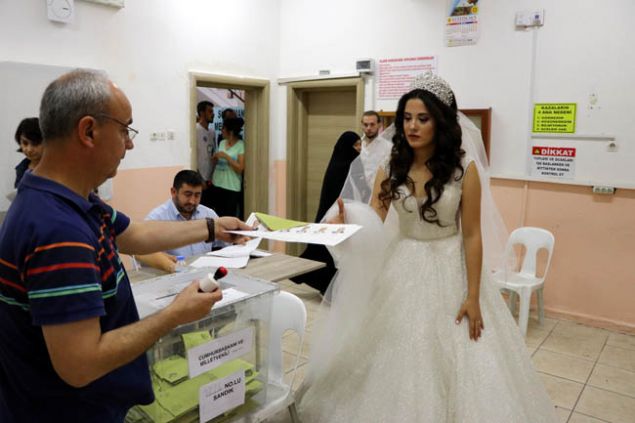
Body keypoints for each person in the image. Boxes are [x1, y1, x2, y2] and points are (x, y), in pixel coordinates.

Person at [297, 72, 558, 422]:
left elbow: (472, 235)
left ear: (441, 122)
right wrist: (346, 225)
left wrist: (473, 296)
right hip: (400, 262)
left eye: (423, 118)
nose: (412, 126)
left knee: (459, 353)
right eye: (407, 118)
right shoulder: (391, 166)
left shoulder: (464, 170)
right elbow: (375, 218)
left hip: (450, 264)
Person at [0, 69, 251, 422]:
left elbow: (135, 234)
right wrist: (174, 315)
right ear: (88, 131)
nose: (129, 145)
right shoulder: (58, 229)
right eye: (124, 130)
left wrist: (212, 227)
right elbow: (81, 364)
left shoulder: (69, 198)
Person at [291, 131, 361, 294]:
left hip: (342, 215)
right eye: (356, 145)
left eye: (360, 144)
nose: (359, 148)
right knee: (327, 252)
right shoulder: (342, 166)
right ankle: (327, 287)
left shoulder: (349, 163)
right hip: (334, 215)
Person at [135, 170, 226, 272]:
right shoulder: (157, 218)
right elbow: (139, 251)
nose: (192, 201)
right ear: (174, 192)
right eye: (188, 194)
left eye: (197, 195)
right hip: (170, 276)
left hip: (204, 274)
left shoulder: (209, 214)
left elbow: (224, 245)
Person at [340, 111, 393, 203]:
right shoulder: (356, 146)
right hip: (358, 195)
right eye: (366, 125)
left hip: (380, 195)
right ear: (362, 125)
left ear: (379, 125)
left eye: (372, 124)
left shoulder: (388, 147)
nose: (368, 128)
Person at [211, 117, 245, 218]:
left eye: (223, 128)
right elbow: (217, 161)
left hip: (231, 186)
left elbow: (240, 168)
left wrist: (226, 157)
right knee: (218, 215)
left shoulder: (241, 145)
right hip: (217, 183)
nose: (221, 131)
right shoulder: (222, 142)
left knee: (229, 217)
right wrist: (215, 158)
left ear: (230, 132)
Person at [13, 117, 44, 188]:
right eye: (25, 143)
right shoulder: (21, 169)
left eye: (35, 143)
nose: (29, 149)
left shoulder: (58, 167)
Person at [196, 100, 216, 209]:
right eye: (210, 111)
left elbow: (213, 153)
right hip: (200, 179)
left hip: (211, 180)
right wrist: (200, 179)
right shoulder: (195, 130)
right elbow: (193, 157)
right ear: (202, 113)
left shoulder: (212, 132)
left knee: (210, 209)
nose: (213, 114)